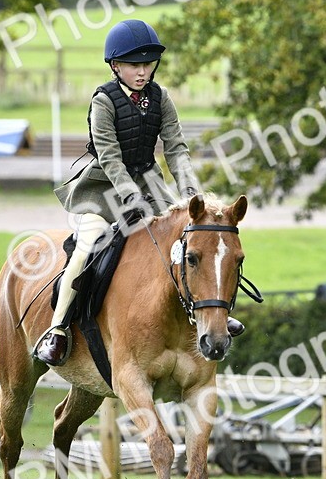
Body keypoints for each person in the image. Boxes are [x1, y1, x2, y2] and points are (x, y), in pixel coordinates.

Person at [32, 18, 243, 366]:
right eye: (133, 65)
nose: (142, 72)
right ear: (116, 66)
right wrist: (129, 197)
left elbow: (176, 148)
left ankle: (210, 314)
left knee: (193, 239)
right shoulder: (103, 101)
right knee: (87, 247)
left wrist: (194, 198)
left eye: (147, 64)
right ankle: (58, 329)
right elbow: (111, 157)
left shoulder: (161, 98)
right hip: (102, 190)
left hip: (150, 185)